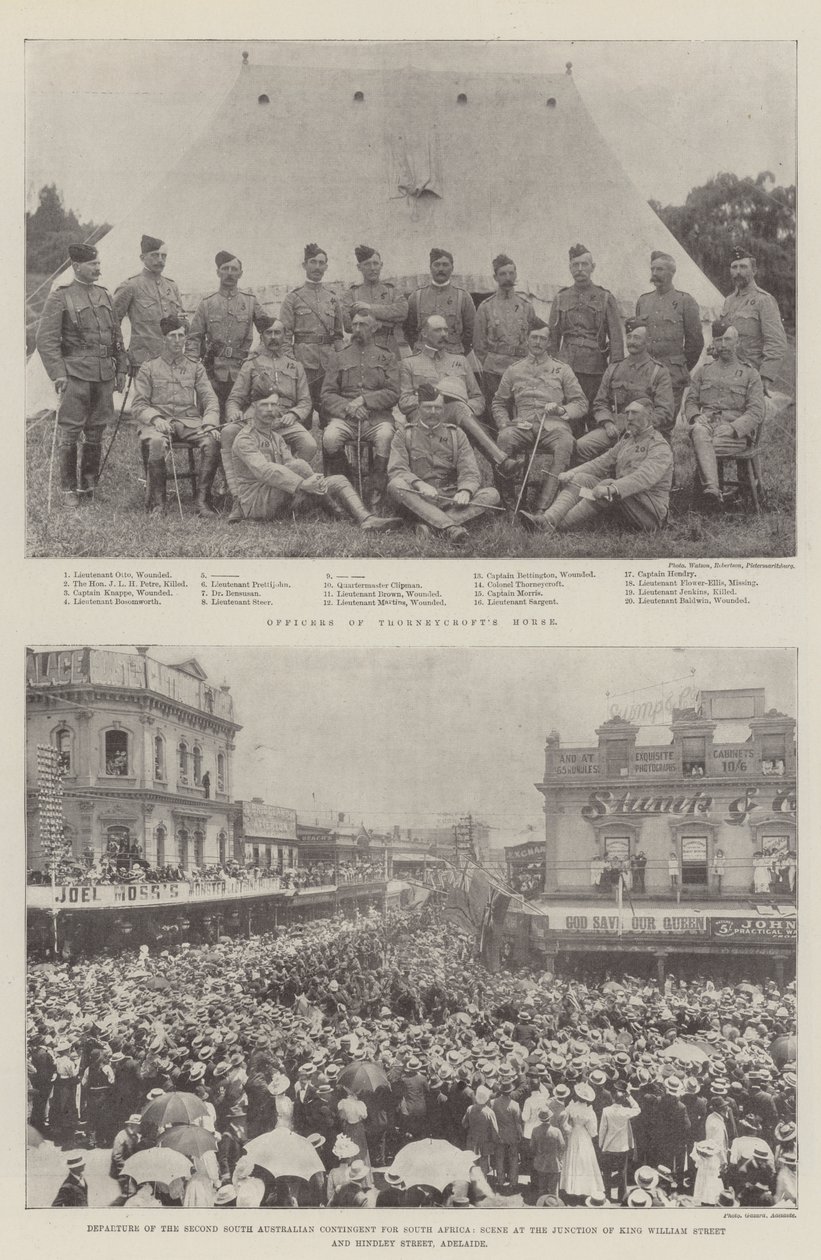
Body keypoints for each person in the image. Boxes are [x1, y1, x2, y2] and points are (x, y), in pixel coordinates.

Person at [35, 242, 127, 503]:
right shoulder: (60, 295)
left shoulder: (105, 295)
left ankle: (88, 486)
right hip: (75, 373)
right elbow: (46, 339)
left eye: (98, 263)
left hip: (103, 374)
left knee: (96, 429)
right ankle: (67, 490)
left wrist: (120, 367)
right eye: (93, 264)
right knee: (71, 431)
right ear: (77, 266)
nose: (98, 268)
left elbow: (116, 335)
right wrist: (58, 373)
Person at [230, 396, 400, 531]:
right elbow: (265, 471)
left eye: (273, 405)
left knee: (339, 479)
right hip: (257, 503)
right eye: (264, 404)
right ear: (253, 407)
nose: (269, 410)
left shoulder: (276, 437)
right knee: (299, 466)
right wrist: (304, 483)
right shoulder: (245, 438)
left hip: (282, 495)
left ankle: (366, 518)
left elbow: (290, 463)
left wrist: (309, 482)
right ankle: (335, 510)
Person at [520, 398, 672, 535]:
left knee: (606, 485)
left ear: (649, 416)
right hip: (624, 502)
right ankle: (547, 519)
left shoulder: (659, 445)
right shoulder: (628, 439)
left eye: (635, 413)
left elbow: (644, 477)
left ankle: (554, 528)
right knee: (581, 479)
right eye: (627, 413)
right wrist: (572, 472)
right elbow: (602, 462)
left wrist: (611, 488)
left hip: (650, 513)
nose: (629, 418)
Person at [222, 316, 316, 521]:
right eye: (269, 333)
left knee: (309, 443)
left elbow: (306, 402)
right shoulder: (251, 365)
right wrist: (234, 413)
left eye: (278, 333)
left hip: (285, 421)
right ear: (262, 337)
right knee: (228, 432)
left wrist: (294, 414)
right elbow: (234, 398)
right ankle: (239, 498)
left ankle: (289, 489)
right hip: (259, 422)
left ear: (285, 336)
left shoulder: (295, 366)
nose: (273, 337)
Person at [386, 383, 502, 546]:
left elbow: (470, 471)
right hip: (419, 498)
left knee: (492, 494)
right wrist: (419, 485)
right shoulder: (404, 434)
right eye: (428, 407)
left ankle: (431, 527)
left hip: (451, 498)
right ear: (418, 408)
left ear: (444, 409)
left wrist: (465, 490)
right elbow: (397, 469)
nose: (433, 412)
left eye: (438, 408)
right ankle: (451, 527)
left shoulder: (456, 434)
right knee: (396, 485)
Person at [399, 316, 516, 476]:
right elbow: (404, 402)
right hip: (423, 418)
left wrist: (466, 407)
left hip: (458, 419)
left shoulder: (460, 361)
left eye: (446, 330)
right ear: (424, 333)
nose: (444, 334)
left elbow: (478, 399)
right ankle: (500, 460)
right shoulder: (410, 363)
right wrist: (433, 395)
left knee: (458, 407)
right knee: (456, 407)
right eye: (438, 330)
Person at [131, 315, 221, 516]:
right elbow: (138, 404)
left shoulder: (195, 367)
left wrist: (209, 422)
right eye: (173, 335)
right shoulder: (149, 367)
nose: (178, 340)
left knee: (212, 441)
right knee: (155, 443)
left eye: (181, 335)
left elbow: (210, 399)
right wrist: (155, 418)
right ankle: (158, 504)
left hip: (189, 423)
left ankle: (202, 501)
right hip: (158, 424)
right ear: (164, 338)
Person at [492, 323, 588, 512]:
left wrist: (561, 410)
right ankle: (510, 505)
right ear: (527, 339)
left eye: (542, 338)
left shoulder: (562, 370)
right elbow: (498, 403)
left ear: (549, 342)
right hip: (522, 427)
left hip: (554, 428)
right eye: (534, 337)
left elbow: (581, 403)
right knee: (503, 439)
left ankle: (543, 507)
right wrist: (504, 424)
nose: (537, 342)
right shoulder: (514, 370)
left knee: (566, 443)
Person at [321, 311, 400, 511]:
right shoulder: (339, 357)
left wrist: (364, 400)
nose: (357, 329)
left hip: (377, 418)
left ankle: (376, 490)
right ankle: (345, 485)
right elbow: (327, 394)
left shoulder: (387, 356)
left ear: (374, 329)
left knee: (385, 436)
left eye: (363, 325)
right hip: (346, 417)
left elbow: (393, 392)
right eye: (354, 325)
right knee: (330, 437)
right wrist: (349, 408)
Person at [684, 321, 765, 510]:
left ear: (737, 342)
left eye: (728, 339)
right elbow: (690, 401)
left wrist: (732, 428)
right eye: (719, 340)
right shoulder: (704, 371)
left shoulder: (749, 374)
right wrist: (696, 416)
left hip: (734, 435)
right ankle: (713, 489)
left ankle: (711, 493)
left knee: (702, 443)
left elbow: (756, 412)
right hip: (707, 429)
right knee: (698, 430)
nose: (723, 345)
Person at [575, 318, 674, 461]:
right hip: (614, 429)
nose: (632, 342)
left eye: (637, 338)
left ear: (647, 341)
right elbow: (600, 403)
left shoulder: (658, 371)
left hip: (645, 432)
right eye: (629, 337)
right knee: (581, 446)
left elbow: (665, 411)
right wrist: (607, 423)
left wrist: (640, 425)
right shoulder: (614, 368)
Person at [187, 250, 269, 420]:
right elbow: (194, 338)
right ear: (218, 272)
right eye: (225, 268)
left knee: (241, 420)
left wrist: (256, 354)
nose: (230, 273)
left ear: (241, 273)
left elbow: (268, 331)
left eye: (234, 269)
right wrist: (193, 367)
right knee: (212, 419)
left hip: (243, 371)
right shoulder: (207, 304)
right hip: (213, 372)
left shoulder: (250, 302)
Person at [548, 243, 624, 417]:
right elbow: (552, 338)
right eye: (575, 265)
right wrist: (551, 370)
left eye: (584, 264)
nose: (580, 269)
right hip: (566, 367)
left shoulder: (605, 297)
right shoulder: (561, 297)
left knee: (594, 414)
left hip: (595, 368)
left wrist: (613, 374)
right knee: (568, 416)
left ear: (593, 267)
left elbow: (616, 340)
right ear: (570, 268)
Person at [279, 243, 346, 418]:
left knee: (331, 414)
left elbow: (338, 336)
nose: (317, 267)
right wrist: (293, 365)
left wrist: (343, 362)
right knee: (301, 415)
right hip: (303, 363)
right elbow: (284, 337)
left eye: (321, 263)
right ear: (304, 265)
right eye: (313, 262)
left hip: (328, 364)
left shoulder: (332, 298)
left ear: (326, 266)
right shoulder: (293, 298)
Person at [635, 251, 704, 417]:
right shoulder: (643, 301)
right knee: (643, 419)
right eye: (652, 269)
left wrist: (681, 367)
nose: (654, 274)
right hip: (645, 373)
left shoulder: (685, 301)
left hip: (672, 374)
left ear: (672, 273)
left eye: (660, 269)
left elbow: (695, 342)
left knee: (665, 420)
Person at [720, 246, 787, 396]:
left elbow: (776, 342)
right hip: (725, 373)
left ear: (754, 271)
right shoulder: (728, 301)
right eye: (734, 267)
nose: (738, 272)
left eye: (743, 267)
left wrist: (766, 376)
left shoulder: (764, 300)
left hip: (750, 375)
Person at [473, 254, 537, 410]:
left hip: (521, 370)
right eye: (503, 274)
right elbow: (478, 344)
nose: (508, 278)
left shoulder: (526, 306)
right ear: (495, 277)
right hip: (494, 371)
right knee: (496, 411)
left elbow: (535, 338)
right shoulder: (486, 307)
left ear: (516, 275)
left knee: (523, 411)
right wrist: (490, 362)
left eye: (511, 273)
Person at [113, 234, 184, 372]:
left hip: (173, 361)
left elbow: (182, 321)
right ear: (142, 257)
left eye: (163, 256)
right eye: (155, 255)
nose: (160, 260)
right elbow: (112, 324)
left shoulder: (172, 286)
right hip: (143, 364)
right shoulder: (130, 286)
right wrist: (121, 356)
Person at [405, 248, 476, 355]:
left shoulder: (463, 297)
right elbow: (409, 330)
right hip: (423, 357)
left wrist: (459, 354)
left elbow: (471, 332)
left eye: (445, 265)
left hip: (453, 357)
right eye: (436, 264)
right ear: (430, 268)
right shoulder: (416, 297)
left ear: (452, 268)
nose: (441, 269)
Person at [341, 245, 409, 354]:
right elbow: (348, 325)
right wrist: (385, 320)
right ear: (359, 267)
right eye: (367, 264)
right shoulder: (352, 294)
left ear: (381, 265)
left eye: (375, 263)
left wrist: (368, 308)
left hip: (389, 348)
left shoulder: (392, 291)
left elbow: (402, 312)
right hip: (361, 349)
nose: (372, 268)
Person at [560, 1083, 605, 1203]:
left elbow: (564, 1118)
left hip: (573, 1133)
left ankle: (570, 1187)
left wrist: (569, 1126)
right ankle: (584, 1188)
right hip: (584, 1135)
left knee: (572, 1160)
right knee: (584, 1162)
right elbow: (593, 1131)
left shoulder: (571, 1107)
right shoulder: (589, 1111)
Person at [598, 1087, 641, 1203]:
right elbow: (637, 1109)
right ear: (623, 1100)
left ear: (613, 1099)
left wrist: (600, 1144)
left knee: (606, 1172)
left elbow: (602, 1129)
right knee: (622, 1172)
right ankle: (622, 1196)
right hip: (622, 1147)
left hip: (609, 1146)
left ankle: (607, 1195)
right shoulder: (625, 1111)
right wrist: (630, 1096)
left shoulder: (606, 1110)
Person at [530, 1105, 565, 1200]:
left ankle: (542, 1204)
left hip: (540, 1163)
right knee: (554, 1189)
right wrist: (559, 1158)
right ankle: (554, 1205)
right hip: (554, 1163)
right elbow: (562, 1146)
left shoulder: (535, 1130)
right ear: (550, 1117)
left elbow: (532, 1148)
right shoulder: (556, 1131)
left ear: (540, 1119)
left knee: (542, 1187)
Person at [110, 1114, 142, 1194]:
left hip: (130, 1170)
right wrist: (126, 1169)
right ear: (132, 1125)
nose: (140, 1128)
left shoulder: (135, 1136)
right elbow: (116, 1156)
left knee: (132, 1192)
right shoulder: (121, 1136)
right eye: (138, 1125)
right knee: (130, 1192)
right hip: (121, 1171)